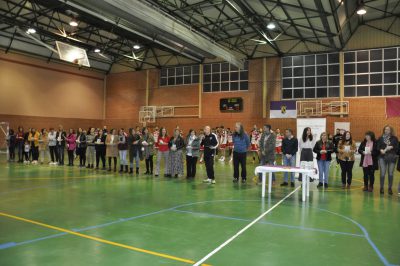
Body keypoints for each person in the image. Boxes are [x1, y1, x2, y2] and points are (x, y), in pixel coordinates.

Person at [377, 125, 399, 195]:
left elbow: (397, 148)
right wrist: (381, 150)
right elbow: (377, 146)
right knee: (382, 173)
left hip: (392, 157)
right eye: (385, 129)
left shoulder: (394, 138)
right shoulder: (380, 138)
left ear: (391, 130)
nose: (386, 130)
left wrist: (392, 147)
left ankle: (390, 188)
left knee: (390, 173)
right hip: (382, 157)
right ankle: (382, 187)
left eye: (388, 129)